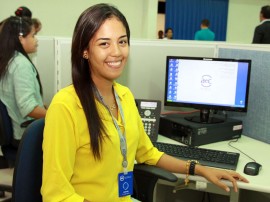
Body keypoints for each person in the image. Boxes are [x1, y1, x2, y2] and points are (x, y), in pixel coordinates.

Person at [41, 3, 248, 202]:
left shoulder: (124, 96)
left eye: (122, 41)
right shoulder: (66, 106)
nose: (117, 52)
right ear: (84, 51)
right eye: (104, 43)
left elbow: (147, 153)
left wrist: (200, 168)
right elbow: (56, 194)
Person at [0, 16, 46, 145]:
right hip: (25, 135)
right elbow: (28, 108)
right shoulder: (20, 64)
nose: (36, 40)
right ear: (21, 39)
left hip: (18, 130)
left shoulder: (9, 60)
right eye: (33, 36)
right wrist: (55, 115)